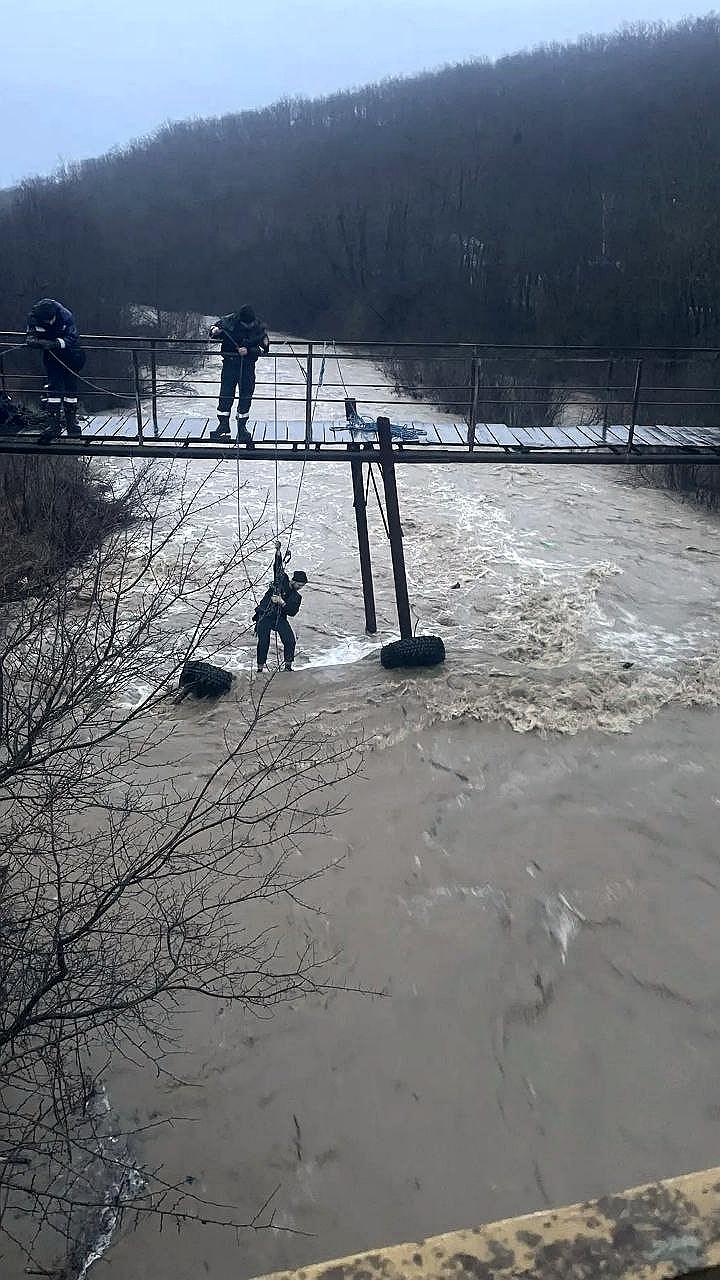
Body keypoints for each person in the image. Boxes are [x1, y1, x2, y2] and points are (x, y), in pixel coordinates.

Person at [26, 298, 86, 441]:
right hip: (51, 357)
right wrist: (38, 343)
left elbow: (72, 336)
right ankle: (54, 425)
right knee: (53, 388)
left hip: (71, 354)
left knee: (70, 388)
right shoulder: (34, 318)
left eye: (50, 320)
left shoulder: (65, 315)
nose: (49, 323)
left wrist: (56, 343)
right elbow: (30, 336)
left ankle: (71, 423)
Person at [208, 305, 269, 443]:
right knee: (225, 394)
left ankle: (242, 428)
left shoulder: (258, 327)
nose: (249, 325)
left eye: (251, 323)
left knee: (246, 395)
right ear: (240, 320)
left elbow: (264, 348)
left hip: (247, 366)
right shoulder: (229, 322)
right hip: (229, 364)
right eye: (246, 323)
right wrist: (214, 330)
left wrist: (249, 351)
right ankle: (223, 425)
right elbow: (213, 330)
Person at [253, 548, 307, 672]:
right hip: (265, 614)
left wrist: (282, 602)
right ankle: (260, 668)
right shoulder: (282, 580)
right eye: (298, 585)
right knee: (264, 642)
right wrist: (278, 552)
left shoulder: (296, 597)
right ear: (293, 581)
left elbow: (292, 612)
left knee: (290, 640)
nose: (299, 588)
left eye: (302, 586)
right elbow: (278, 567)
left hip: (279, 618)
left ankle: (288, 667)